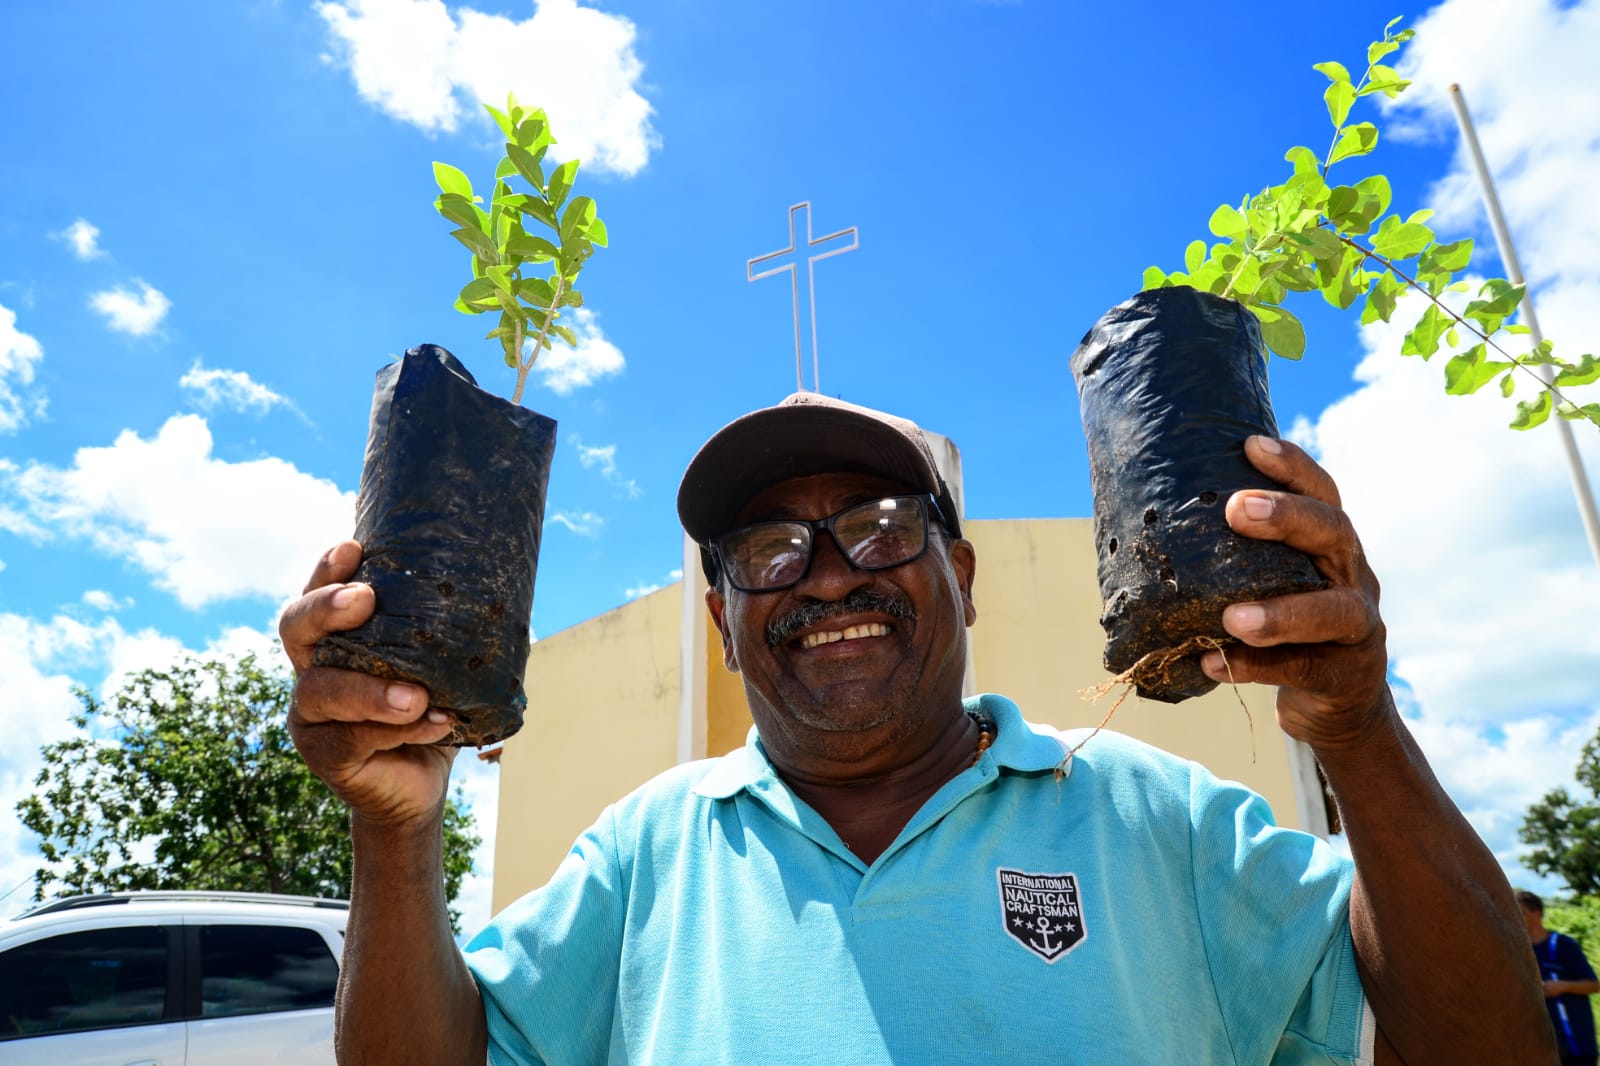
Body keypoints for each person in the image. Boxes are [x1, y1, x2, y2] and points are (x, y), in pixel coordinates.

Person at [281, 391, 1554, 1064]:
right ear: (723, 618)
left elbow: (1487, 1047)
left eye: (882, 528)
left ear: (965, 574)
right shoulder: (646, 854)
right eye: (770, 549)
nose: (829, 577)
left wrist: (1357, 727)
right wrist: (394, 835)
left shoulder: (1155, 816)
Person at [1519, 889, 1600, 1066]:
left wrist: (1562, 986)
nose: (1516, 918)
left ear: (1537, 914)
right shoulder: (1519, 951)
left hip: (1576, 1044)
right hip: (1538, 1046)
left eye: (1521, 913)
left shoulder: (1563, 945)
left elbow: (1594, 985)